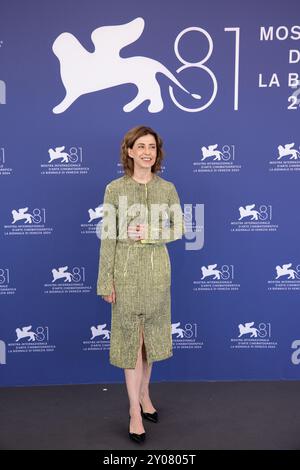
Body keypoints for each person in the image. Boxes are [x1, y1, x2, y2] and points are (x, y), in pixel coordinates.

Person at [97, 125, 185, 444]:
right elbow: (108, 236)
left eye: (152, 147)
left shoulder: (168, 189)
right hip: (126, 272)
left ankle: (146, 394)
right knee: (131, 342)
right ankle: (135, 410)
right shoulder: (114, 189)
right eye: (141, 146)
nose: (147, 152)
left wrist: (150, 233)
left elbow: (179, 228)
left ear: (157, 153)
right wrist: (105, 280)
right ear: (130, 152)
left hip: (159, 273)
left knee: (150, 342)